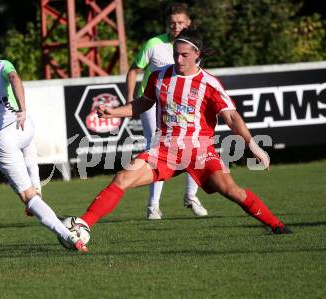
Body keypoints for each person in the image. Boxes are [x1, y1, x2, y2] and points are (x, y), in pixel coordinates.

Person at [76, 28, 292, 238]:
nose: (178, 60)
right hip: (164, 150)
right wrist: (113, 112)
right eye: (175, 54)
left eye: (184, 55)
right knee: (122, 177)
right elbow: (143, 103)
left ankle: (276, 225)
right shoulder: (159, 77)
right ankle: (82, 226)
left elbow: (232, 118)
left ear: (197, 54)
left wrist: (253, 146)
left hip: (199, 152)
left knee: (231, 191)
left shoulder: (209, 84)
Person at [0, 37, 88, 252]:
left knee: (27, 197)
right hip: (21, 124)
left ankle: (70, 236)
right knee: (27, 143)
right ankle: (36, 186)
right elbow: (15, 79)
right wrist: (23, 109)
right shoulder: (1, 63)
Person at [126, 3, 207, 220]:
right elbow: (134, 71)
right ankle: (153, 206)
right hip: (151, 103)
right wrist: (130, 101)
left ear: (188, 23)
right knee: (156, 147)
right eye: (172, 23)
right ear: (166, 24)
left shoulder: (193, 45)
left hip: (180, 104)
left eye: (180, 22)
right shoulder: (154, 44)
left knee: (193, 144)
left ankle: (191, 196)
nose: (176, 26)